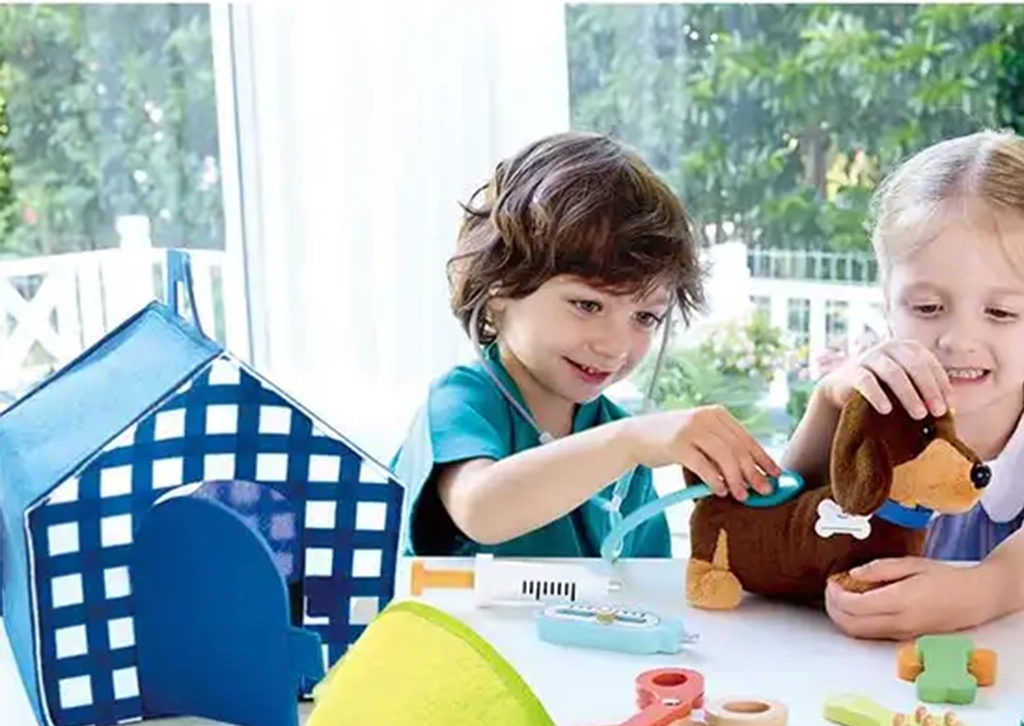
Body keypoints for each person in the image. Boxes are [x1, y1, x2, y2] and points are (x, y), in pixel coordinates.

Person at [391, 131, 780, 558]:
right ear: (499, 285)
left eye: (645, 317)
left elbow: (645, 585)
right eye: (587, 305)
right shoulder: (462, 402)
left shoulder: (621, 444)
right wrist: (629, 443)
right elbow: (479, 510)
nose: (615, 346)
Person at [783, 129, 1024, 639]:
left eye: (1002, 312)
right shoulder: (876, 407)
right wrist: (828, 402)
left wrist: (983, 590)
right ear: (887, 302)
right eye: (928, 307)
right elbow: (779, 525)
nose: (959, 340)